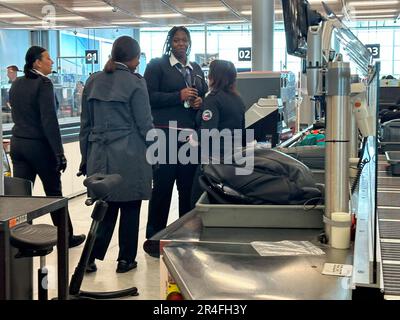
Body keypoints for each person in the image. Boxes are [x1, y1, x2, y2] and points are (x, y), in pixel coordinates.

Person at [79, 36, 154, 273]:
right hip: (130, 153)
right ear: (134, 58)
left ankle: (90, 257)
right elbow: (145, 124)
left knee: (105, 206)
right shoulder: (136, 83)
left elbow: (85, 126)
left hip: (99, 155)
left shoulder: (92, 81)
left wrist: (85, 157)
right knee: (130, 206)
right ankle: (125, 260)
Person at [9, 46, 85, 248]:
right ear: (37, 63)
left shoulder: (16, 83)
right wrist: (59, 153)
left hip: (18, 145)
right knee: (53, 193)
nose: (52, 62)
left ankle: (19, 236)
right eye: (48, 58)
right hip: (39, 147)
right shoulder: (44, 84)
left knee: (22, 195)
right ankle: (66, 238)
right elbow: (49, 120)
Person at [143, 26, 208, 257]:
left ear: (189, 43)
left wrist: (200, 101)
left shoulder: (196, 69)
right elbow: (147, 97)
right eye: (177, 40)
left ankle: (185, 236)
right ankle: (154, 239)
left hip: (189, 137)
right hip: (164, 135)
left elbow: (205, 94)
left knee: (187, 188)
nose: (181, 44)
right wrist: (177, 96)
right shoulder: (156, 66)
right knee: (162, 187)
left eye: (184, 40)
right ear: (170, 42)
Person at [190, 59, 246, 207]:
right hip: (233, 159)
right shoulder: (238, 99)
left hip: (212, 162)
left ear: (214, 77)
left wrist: (192, 138)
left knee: (197, 202)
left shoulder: (213, 99)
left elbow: (209, 132)